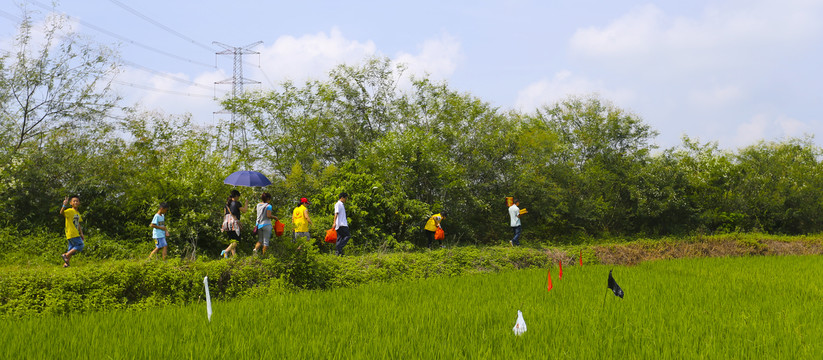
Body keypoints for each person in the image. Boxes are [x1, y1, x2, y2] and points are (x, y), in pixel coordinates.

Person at [59, 195, 84, 267]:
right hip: (71, 232)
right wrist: (64, 204)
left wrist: (81, 233)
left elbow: (78, 224)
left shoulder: (78, 213)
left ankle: (66, 264)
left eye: (77, 201)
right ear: (71, 203)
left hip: (75, 233)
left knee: (71, 249)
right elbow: (61, 212)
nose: (76, 202)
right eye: (74, 201)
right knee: (80, 245)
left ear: (79, 203)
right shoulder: (69, 211)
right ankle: (65, 255)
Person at [221, 189, 247, 258]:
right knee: (236, 241)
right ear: (235, 196)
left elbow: (224, 215)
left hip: (226, 223)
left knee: (232, 240)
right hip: (233, 223)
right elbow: (244, 211)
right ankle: (226, 251)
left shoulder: (226, 205)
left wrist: (222, 226)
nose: (238, 198)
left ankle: (233, 257)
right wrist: (246, 203)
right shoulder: (236, 203)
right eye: (238, 196)